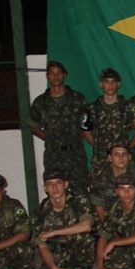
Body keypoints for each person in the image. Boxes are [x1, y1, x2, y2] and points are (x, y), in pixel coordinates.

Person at [28, 60, 89, 194]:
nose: (55, 76)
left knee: (81, 193)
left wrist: (81, 135)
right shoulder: (40, 102)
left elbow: (87, 124)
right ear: (47, 76)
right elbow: (34, 127)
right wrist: (49, 139)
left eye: (58, 73)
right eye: (52, 73)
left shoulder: (77, 99)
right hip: (53, 156)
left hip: (76, 154)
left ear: (64, 75)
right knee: (56, 193)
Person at [32, 170, 96, 269]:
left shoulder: (78, 201)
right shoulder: (40, 213)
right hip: (58, 252)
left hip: (77, 247)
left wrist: (54, 232)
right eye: (50, 184)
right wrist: (54, 268)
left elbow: (86, 226)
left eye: (58, 183)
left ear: (66, 184)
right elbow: (42, 246)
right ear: (45, 188)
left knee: (85, 238)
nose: (55, 187)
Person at [80, 67, 135, 170]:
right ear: (101, 84)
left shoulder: (129, 107)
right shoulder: (91, 109)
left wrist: (125, 150)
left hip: (122, 161)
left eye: (113, 82)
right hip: (100, 161)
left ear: (118, 84)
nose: (110, 85)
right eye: (106, 82)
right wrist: (100, 148)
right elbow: (86, 133)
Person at [90, 140, 135, 223]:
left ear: (129, 157)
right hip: (109, 220)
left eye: (124, 154)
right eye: (116, 154)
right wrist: (109, 231)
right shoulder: (100, 178)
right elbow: (99, 207)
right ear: (110, 158)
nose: (121, 158)